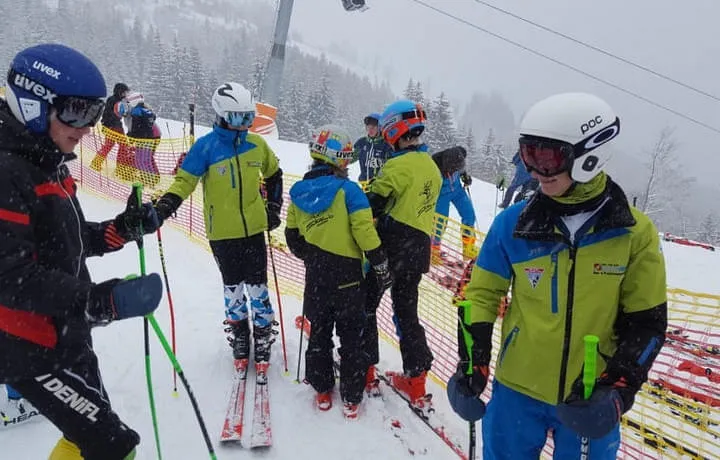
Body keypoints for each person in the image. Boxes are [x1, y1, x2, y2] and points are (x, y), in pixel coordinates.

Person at [448, 93, 667, 459]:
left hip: (588, 396)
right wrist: (472, 363)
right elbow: (481, 296)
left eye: (546, 158)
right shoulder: (513, 225)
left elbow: (647, 323)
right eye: (527, 155)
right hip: (517, 391)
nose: (533, 171)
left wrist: (618, 390)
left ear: (587, 158)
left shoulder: (633, 234)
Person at [0, 43, 164, 460]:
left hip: (67, 332)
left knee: (84, 436)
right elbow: (9, 277)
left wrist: (120, 230)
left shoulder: (48, 160)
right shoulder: (8, 173)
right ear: (35, 105)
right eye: (76, 113)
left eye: (94, 113)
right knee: (113, 446)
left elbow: (65, 242)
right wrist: (99, 301)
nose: (88, 127)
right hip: (30, 343)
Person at [153, 82, 283, 365]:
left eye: (249, 118)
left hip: (253, 232)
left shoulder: (256, 144)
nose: (244, 125)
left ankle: (262, 331)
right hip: (222, 233)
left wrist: (273, 207)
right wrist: (165, 206)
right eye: (239, 118)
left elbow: (275, 173)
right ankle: (239, 333)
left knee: (258, 285)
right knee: (233, 286)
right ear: (222, 115)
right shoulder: (205, 148)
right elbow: (184, 182)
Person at [285, 125, 392, 418]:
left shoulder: (298, 192)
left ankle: (321, 389)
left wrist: (314, 256)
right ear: (339, 160)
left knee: (319, 334)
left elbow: (292, 237)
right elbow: (364, 232)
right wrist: (380, 262)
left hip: (316, 277)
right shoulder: (350, 191)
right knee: (351, 338)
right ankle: (351, 397)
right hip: (349, 278)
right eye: (346, 159)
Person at [363, 99, 442, 411]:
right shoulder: (431, 167)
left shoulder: (397, 166)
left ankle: (365, 368)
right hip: (418, 249)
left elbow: (374, 203)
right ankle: (416, 375)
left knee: (368, 304)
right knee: (406, 311)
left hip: (392, 246)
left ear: (394, 130)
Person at [430, 145, 478, 262]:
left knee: (469, 215)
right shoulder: (434, 164)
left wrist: (464, 176)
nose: (457, 171)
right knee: (440, 223)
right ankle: (433, 251)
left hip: (457, 190)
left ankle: (468, 248)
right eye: (455, 170)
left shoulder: (457, 154)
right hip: (441, 194)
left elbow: (460, 167)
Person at [90, 82, 130, 174]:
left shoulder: (116, 100)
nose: (125, 94)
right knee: (123, 146)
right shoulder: (115, 100)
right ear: (119, 92)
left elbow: (120, 112)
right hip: (114, 126)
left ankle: (96, 163)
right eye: (124, 92)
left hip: (110, 125)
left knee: (109, 145)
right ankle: (120, 167)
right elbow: (112, 113)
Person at [125, 93, 160, 187]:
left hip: (143, 139)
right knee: (146, 160)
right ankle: (151, 179)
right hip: (150, 138)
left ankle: (147, 180)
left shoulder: (136, 112)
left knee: (140, 161)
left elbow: (136, 128)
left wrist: (131, 136)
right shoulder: (146, 110)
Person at [355, 112, 392, 189]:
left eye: (374, 127)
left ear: (380, 128)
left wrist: (381, 162)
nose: (370, 130)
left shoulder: (386, 144)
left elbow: (393, 162)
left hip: (380, 184)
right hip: (364, 184)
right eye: (368, 127)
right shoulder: (361, 142)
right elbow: (350, 157)